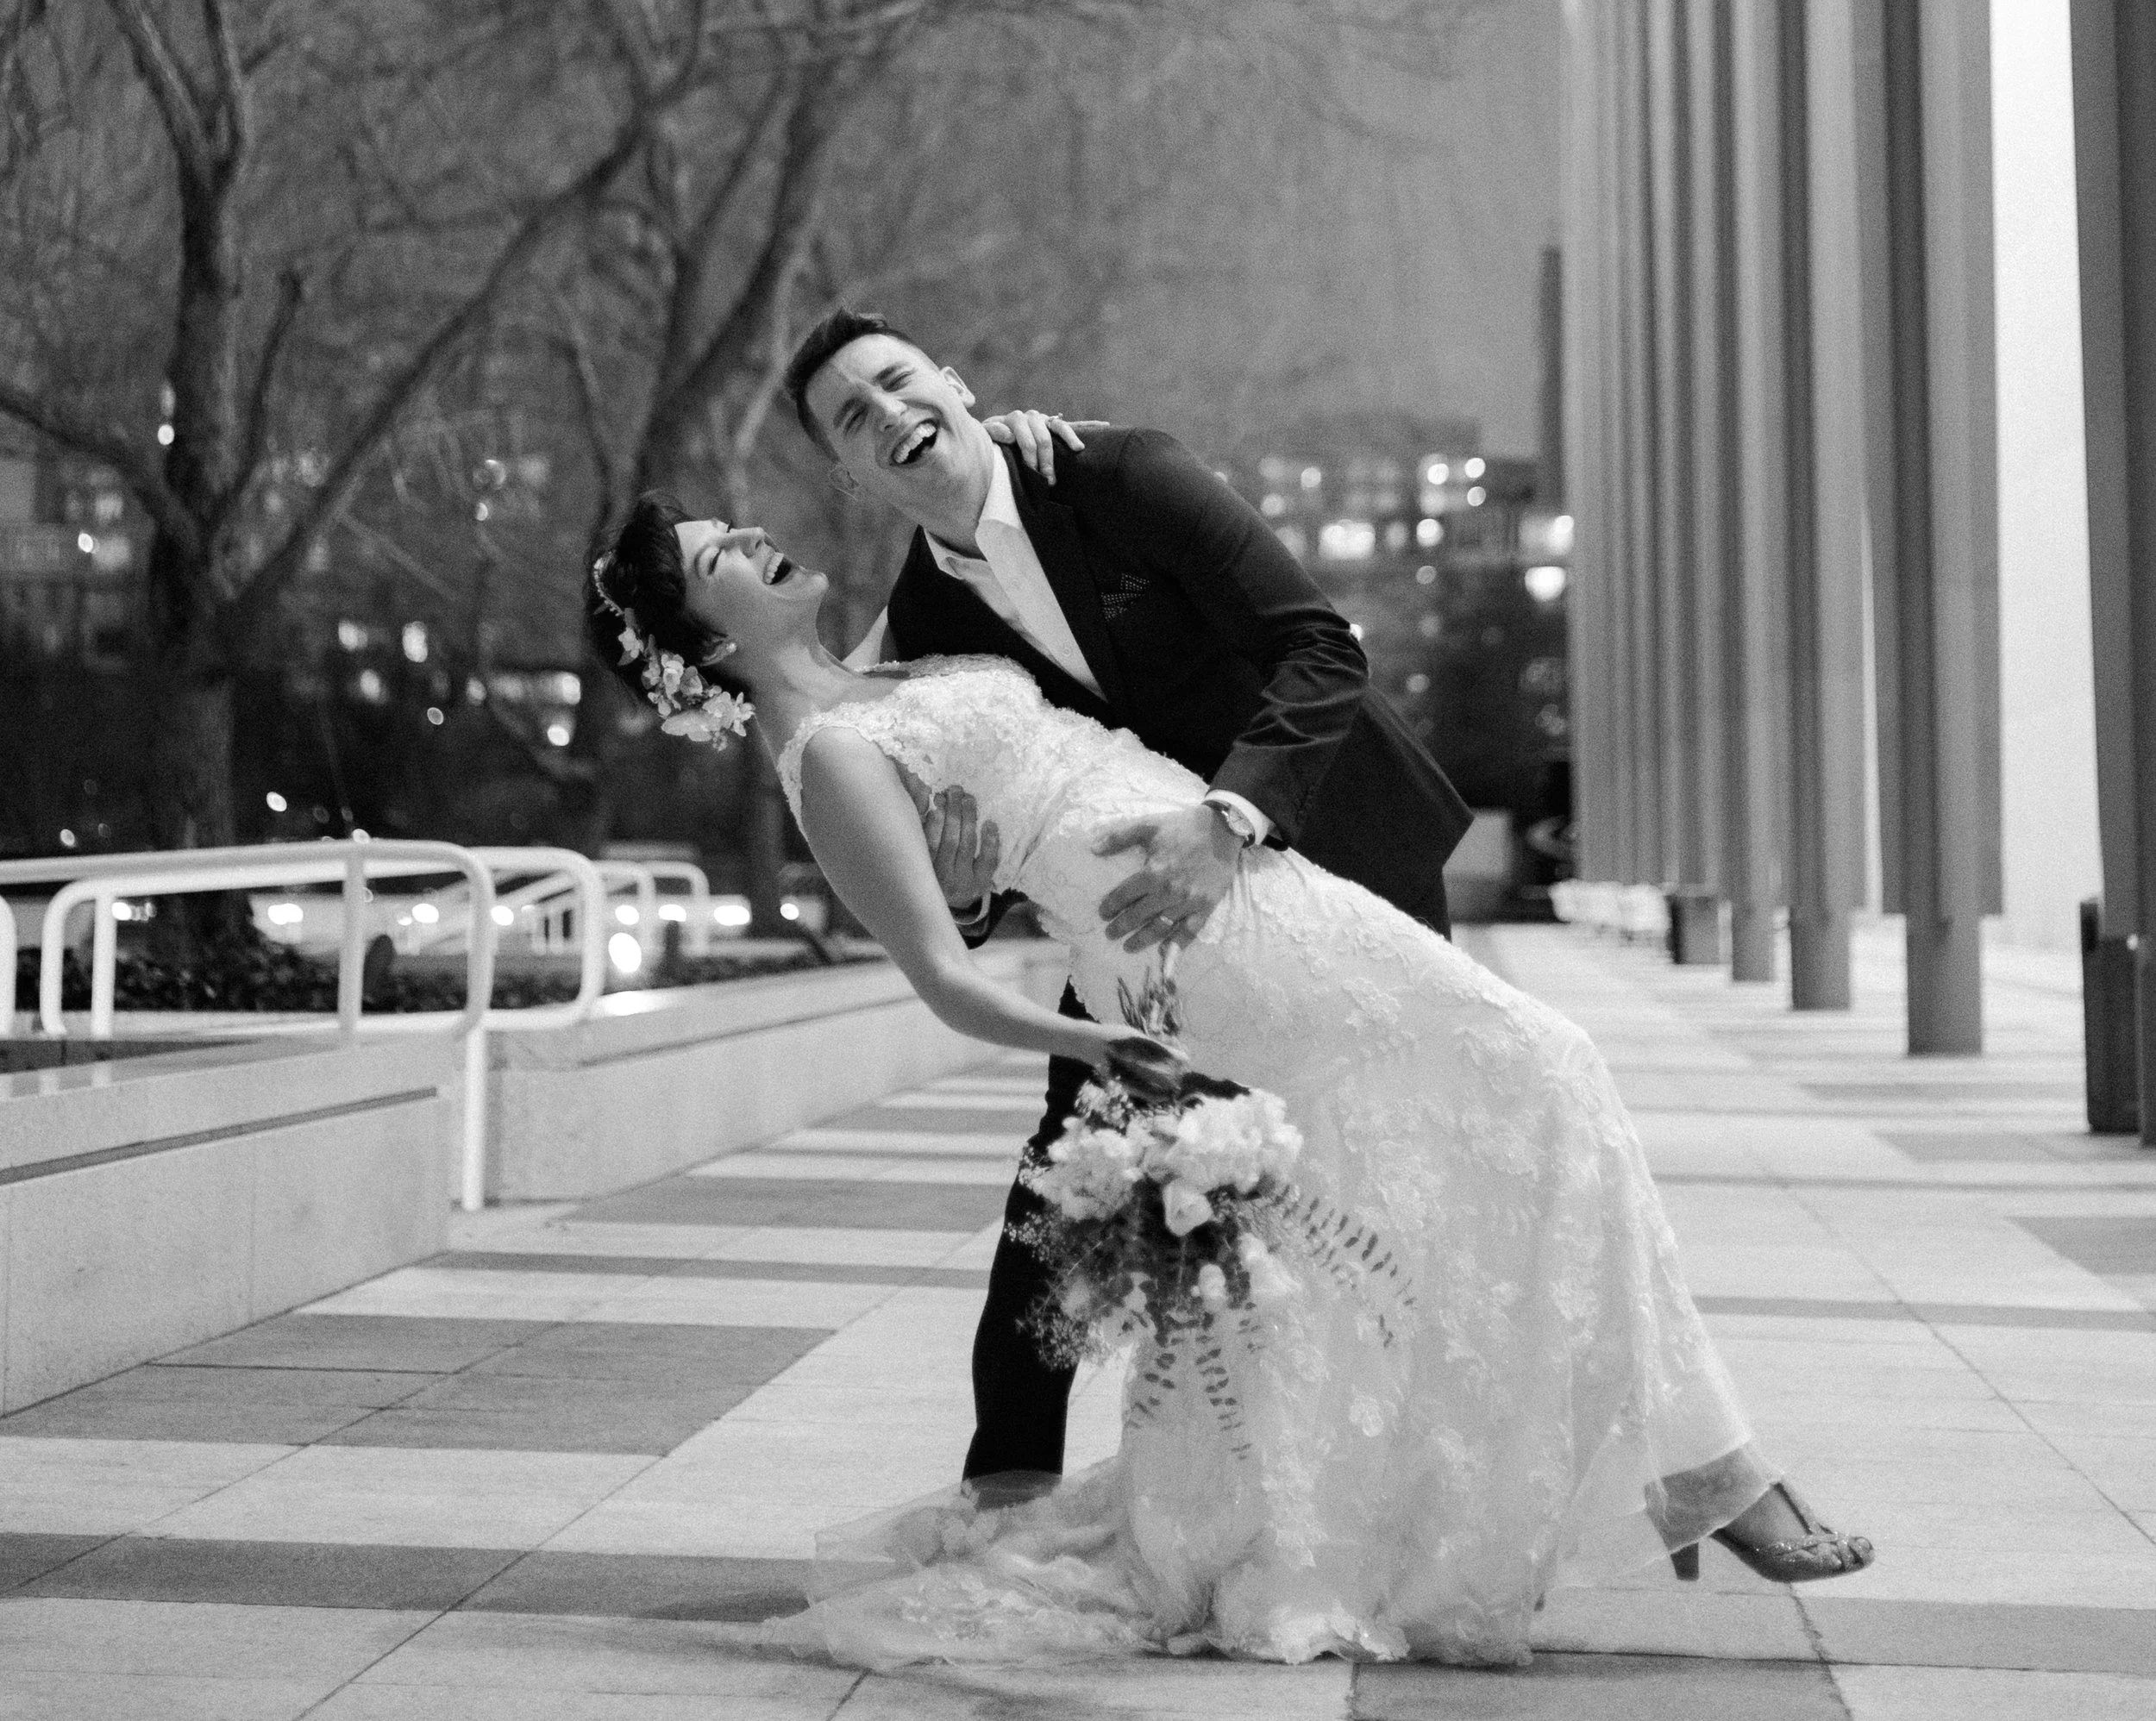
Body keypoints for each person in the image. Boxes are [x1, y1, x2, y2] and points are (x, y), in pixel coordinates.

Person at [585, 491, 1872, 1671]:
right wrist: (1100, 1048)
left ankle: (1461, 1501)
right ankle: (1714, 1474)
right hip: (1185, 948)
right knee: (1548, 1065)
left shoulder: (882, 664)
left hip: (1249, 884)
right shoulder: (822, 753)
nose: (752, 541)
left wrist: (978, 871)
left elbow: (974, 837)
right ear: (705, 644)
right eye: (718, 559)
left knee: (1401, 1176)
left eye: (733, 529)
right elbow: (938, 969)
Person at [784, 305, 1470, 1485]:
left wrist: (1227, 819)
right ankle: (1002, 1508)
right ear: (849, 478)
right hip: (1149, 935)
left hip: (1339, 858)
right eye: (855, 417)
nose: (890, 415)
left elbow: (1321, 648)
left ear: (953, 382)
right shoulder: (926, 627)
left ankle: (1429, 1475)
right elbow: (975, 851)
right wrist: (960, 899)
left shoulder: (1119, 474)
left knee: (1397, 1184)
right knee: (1059, 1191)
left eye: (899, 383)